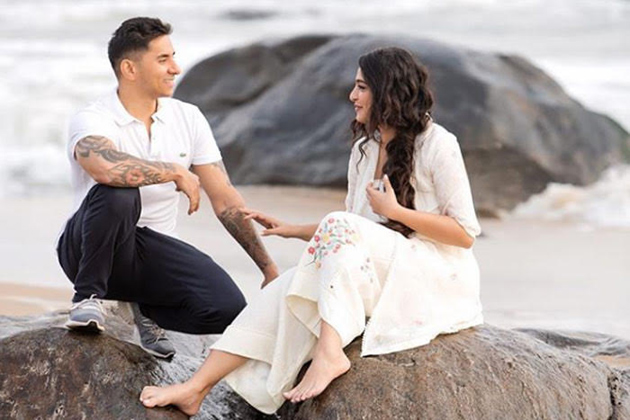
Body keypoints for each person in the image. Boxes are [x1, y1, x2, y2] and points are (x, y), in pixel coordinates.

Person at [140, 46, 483, 414]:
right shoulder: (365, 149)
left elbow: (464, 234)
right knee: (289, 286)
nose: (352, 96)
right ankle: (196, 388)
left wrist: (397, 212)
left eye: (362, 87)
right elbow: (352, 232)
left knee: (328, 239)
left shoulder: (438, 144)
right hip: (380, 270)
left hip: (434, 273)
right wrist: (294, 229)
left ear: (388, 91)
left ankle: (329, 353)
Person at [56, 17, 278, 359]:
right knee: (120, 189)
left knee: (228, 307)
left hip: (150, 253)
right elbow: (103, 166)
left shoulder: (188, 117)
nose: (176, 68)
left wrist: (268, 268)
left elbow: (225, 199)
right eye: (163, 59)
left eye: (173, 57)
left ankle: (146, 308)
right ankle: (87, 298)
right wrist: (172, 171)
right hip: (87, 246)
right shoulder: (94, 117)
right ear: (130, 69)